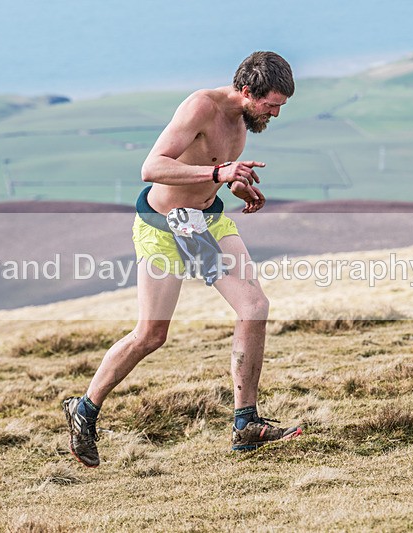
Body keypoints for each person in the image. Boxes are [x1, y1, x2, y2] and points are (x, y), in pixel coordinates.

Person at [63, 51, 302, 467]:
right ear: (247, 91)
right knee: (151, 336)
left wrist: (235, 185)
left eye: (281, 106)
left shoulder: (244, 121)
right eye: (271, 104)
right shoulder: (200, 107)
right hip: (163, 228)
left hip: (206, 223)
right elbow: (151, 167)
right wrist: (218, 176)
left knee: (255, 307)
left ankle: (245, 422)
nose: (275, 114)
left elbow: (214, 169)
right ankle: (84, 409)